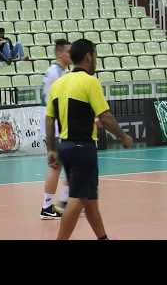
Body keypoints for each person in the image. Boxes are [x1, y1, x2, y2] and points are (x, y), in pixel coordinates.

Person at [45, 39, 133, 240]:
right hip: (82, 147)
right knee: (78, 199)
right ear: (88, 57)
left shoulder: (58, 84)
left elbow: (49, 120)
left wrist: (51, 149)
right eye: (95, 55)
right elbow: (105, 116)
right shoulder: (90, 81)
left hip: (65, 147)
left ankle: (103, 237)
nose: (96, 60)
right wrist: (123, 136)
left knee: (90, 200)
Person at [39, 39, 72, 220]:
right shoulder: (56, 72)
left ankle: (65, 202)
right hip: (56, 124)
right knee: (56, 165)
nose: (71, 55)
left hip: (58, 123)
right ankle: (47, 206)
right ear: (60, 53)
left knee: (67, 165)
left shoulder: (60, 71)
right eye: (68, 52)